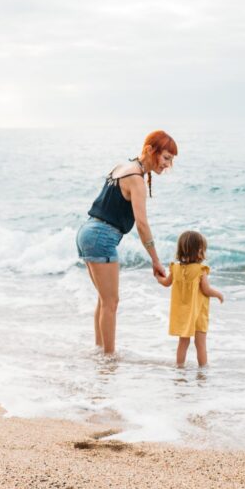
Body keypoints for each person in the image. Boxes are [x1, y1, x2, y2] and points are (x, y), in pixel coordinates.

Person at [76, 130, 177, 354]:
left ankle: (100, 352)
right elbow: (142, 224)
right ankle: (109, 360)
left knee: (104, 301)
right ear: (150, 150)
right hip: (101, 236)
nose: (168, 165)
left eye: (171, 160)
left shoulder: (120, 167)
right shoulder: (136, 179)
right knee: (111, 303)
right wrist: (156, 261)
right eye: (166, 158)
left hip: (87, 231)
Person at [156, 230, 224, 367]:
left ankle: (179, 367)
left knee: (183, 342)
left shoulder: (175, 268)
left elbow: (166, 283)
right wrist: (218, 294)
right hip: (198, 312)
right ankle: (202, 371)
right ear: (198, 251)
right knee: (200, 344)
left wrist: (158, 276)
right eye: (203, 250)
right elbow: (206, 290)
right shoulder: (201, 270)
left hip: (183, 313)